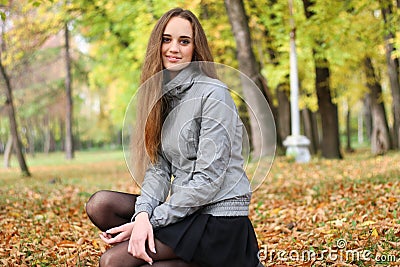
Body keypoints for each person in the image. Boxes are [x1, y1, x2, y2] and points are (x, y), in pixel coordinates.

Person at [85, 7, 262, 267]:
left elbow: (208, 181)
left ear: (195, 48)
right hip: (186, 213)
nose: (173, 48)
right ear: (157, 44)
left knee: (113, 262)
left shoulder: (215, 94)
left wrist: (150, 222)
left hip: (218, 220)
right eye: (166, 39)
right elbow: (159, 168)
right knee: (101, 205)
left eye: (184, 41)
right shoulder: (161, 97)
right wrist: (143, 215)